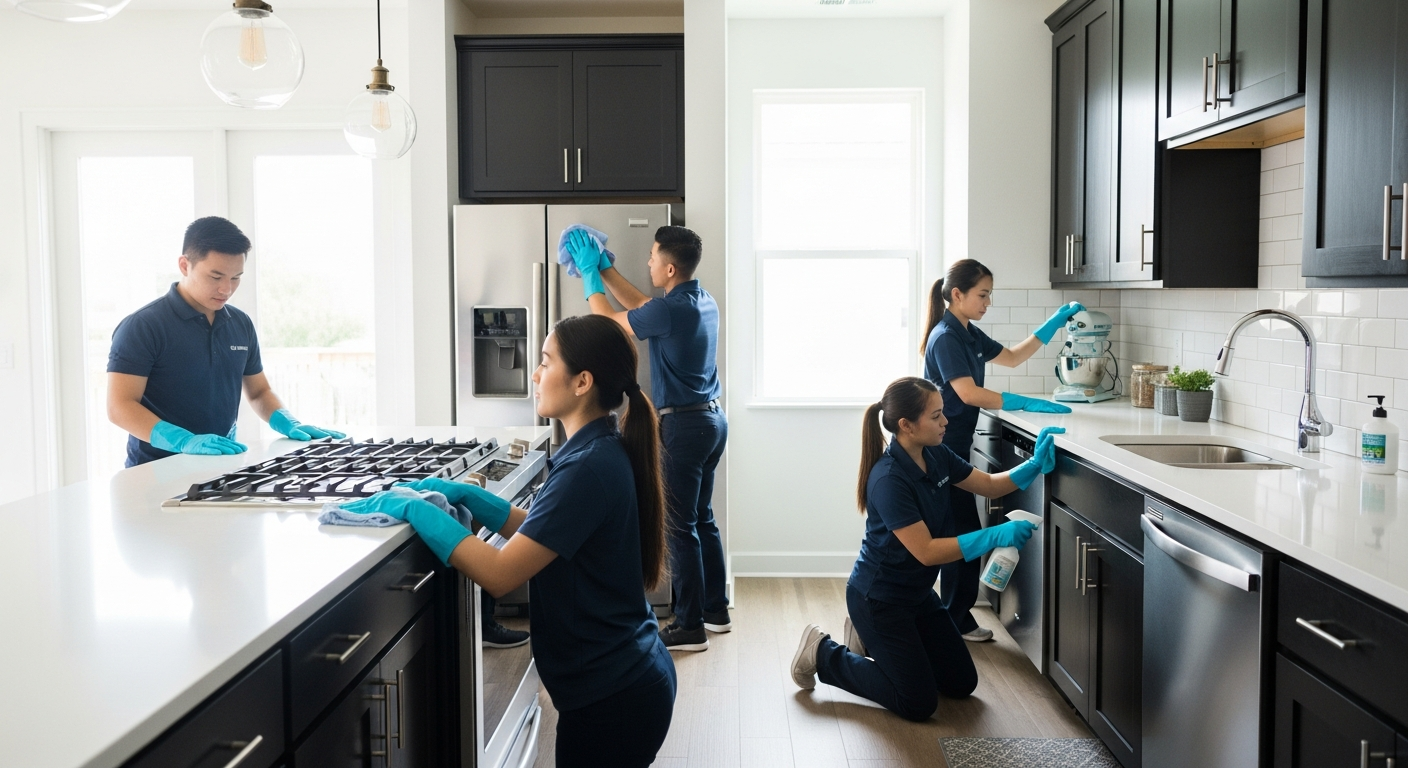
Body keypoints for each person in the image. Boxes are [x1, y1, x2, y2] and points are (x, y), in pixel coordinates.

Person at [340, 314, 676, 768]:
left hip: (613, 700)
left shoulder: (587, 467)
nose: (535, 375)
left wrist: (416, 509)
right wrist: (472, 498)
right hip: (626, 679)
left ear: (582, 382)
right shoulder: (595, 449)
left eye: (546, 362)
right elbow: (544, 533)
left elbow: (500, 574)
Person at [788, 376, 1062, 721]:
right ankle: (823, 654)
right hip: (880, 600)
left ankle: (870, 641)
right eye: (935, 416)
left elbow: (990, 485)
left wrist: (1034, 465)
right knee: (917, 702)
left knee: (961, 683)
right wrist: (995, 536)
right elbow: (927, 551)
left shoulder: (936, 454)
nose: (946, 421)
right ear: (907, 425)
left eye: (942, 412)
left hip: (917, 595)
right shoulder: (889, 479)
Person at [564, 226, 728, 653]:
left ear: (670, 269)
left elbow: (607, 322)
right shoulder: (699, 299)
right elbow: (642, 306)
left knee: (680, 525)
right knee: (702, 518)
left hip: (685, 428)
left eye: (653, 257)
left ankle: (690, 625)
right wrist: (606, 268)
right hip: (712, 422)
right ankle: (716, 610)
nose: (649, 262)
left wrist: (590, 274)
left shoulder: (670, 310)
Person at [922, 259, 1080, 641]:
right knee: (963, 535)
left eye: (989, 294)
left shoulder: (968, 334)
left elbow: (1012, 357)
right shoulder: (945, 337)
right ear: (957, 294)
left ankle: (951, 617)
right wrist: (1022, 401)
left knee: (962, 532)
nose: (987, 302)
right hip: (942, 450)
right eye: (982, 294)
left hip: (954, 445)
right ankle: (953, 620)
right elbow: (967, 393)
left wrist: (1053, 324)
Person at [107, 216, 344, 468]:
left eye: (235, 277)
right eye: (215, 277)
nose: (226, 289)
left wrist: (288, 422)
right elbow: (120, 406)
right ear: (185, 265)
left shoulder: (240, 324)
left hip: (221, 463)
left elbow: (259, 392)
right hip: (154, 470)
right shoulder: (143, 326)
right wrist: (183, 441)